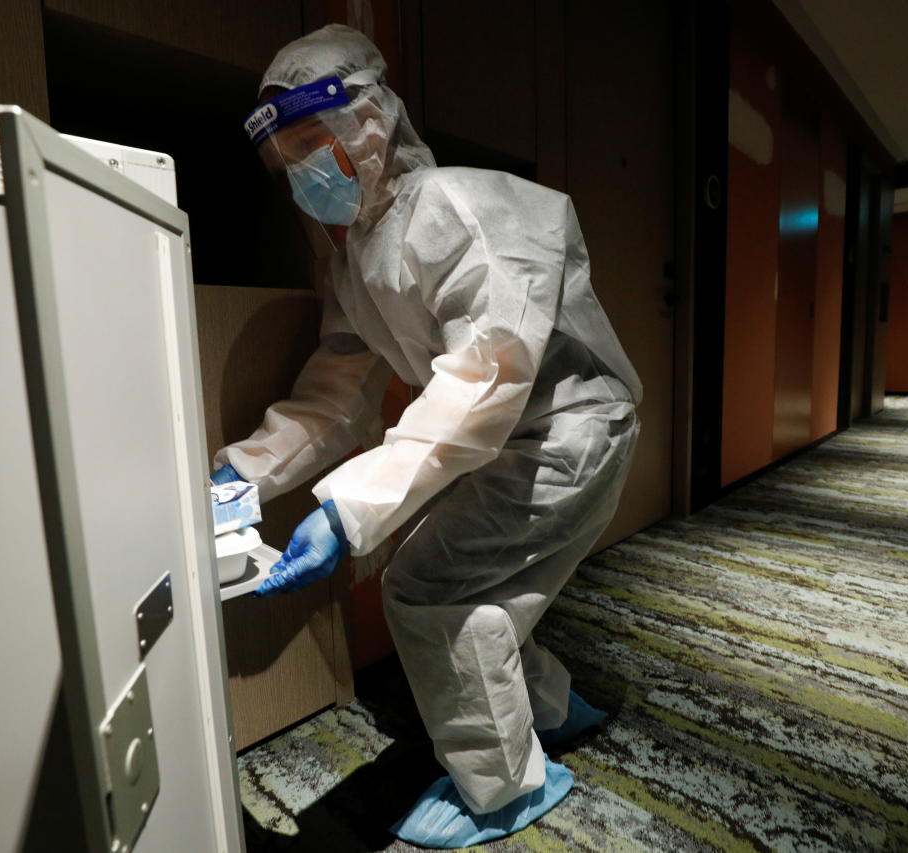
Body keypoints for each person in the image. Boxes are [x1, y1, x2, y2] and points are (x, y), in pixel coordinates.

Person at [211, 24, 641, 848]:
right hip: (520, 438)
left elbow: (487, 374)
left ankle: (509, 787)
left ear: (369, 123)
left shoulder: (466, 208)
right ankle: (550, 710)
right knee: (469, 583)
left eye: (312, 145)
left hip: (569, 430)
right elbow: (337, 391)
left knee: (428, 588)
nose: (303, 175)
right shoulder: (354, 260)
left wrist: (345, 510)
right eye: (286, 163)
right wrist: (243, 476)